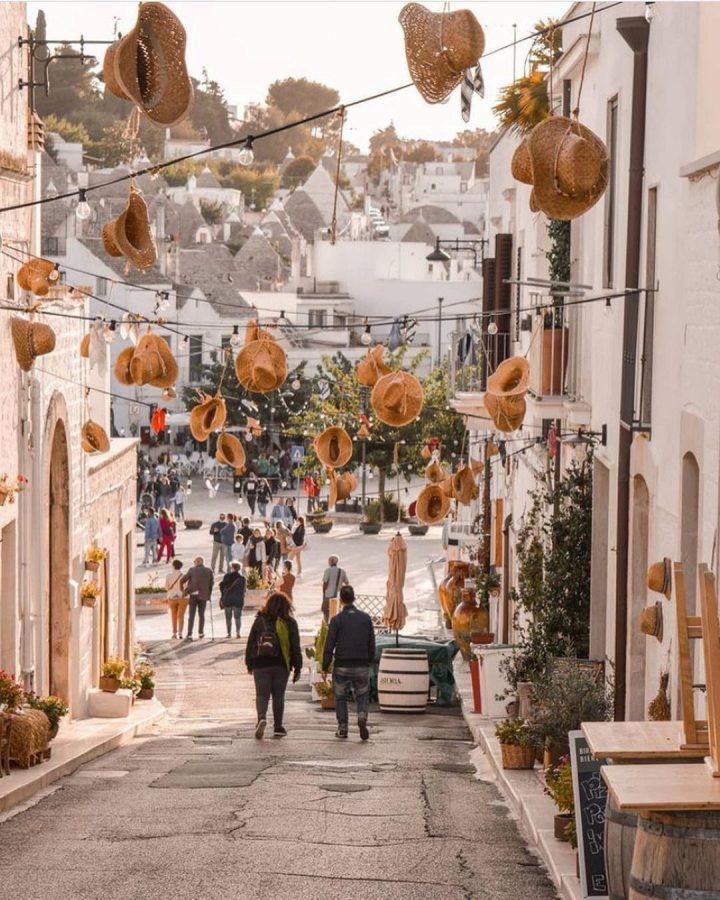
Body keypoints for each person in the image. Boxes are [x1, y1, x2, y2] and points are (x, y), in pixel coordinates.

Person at [245, 591, 302, 738]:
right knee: (278, 696)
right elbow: (295, 647)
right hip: (281, 664)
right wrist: (298, 667)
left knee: (262, 695)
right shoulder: (290, 622)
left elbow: (251, 643)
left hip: (261, 663)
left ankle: (261, 718)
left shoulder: (260, 620)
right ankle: (278, 726)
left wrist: (249, 663)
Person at [322, 584, 375, 741]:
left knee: (340, 697)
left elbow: (329, 643)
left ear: (341, 600)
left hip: (342, 664)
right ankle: (361, 716)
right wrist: (369, 660)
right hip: (361, 664)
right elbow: (371, 642)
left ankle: (343, 728)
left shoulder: (337, 620)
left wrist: (325, 665)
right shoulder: (365, 618)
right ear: (354, 598)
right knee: (363, 694)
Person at [180, 556, 214, 640]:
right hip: (204, 596)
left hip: (193, 595)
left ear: (196, 562)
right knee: (201, 615)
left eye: (194, 562)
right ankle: (201, 633)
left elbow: (182, 580)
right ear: (202, 562)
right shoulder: (209, 571)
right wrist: (209, 595)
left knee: (191, 615)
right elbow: (211, 584)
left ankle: (189, 634)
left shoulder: (192, 570)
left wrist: (184, 590)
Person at [219, 562, 245, 639]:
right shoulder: (242, 578)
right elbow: (243, 590)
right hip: (238, 600)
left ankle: (229, 633)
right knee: (237, 617)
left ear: (232, 568)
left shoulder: (227, 576)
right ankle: (238, 633)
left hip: (228, 599)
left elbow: (222, 587)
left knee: (228, 617)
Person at [165, 558, 188, 639]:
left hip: (171, 597)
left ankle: (174, 633)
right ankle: (180, 633)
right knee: (181, 616)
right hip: (182, 597)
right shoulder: (184, 576)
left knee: (173, 615)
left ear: (173, 566)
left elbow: (167, 587)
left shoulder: (168, 576)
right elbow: (186, 587)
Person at [322, 555, 349, 621]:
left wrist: (323, 593)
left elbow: (325, 583)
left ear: (331, 561)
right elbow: (347, 582)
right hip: (338, 596)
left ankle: (327, 626)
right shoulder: (342, 571)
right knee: (337, 612)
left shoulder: (327, 571)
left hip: (328, 595)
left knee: (326, 612)